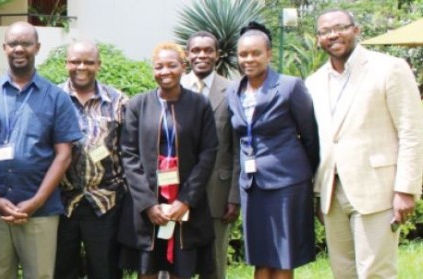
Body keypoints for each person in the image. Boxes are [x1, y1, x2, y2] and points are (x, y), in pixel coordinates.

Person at [307, 10, 423, 278]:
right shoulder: (312, 82)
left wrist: (405, 189)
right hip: (331, 193)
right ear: (318, 39)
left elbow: (411, 132)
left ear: (356, 30)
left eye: (340, 27)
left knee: (375, 272)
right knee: (342, 272)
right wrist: (316, 193)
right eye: (325, 31)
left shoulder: (389, 68)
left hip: (376, 190)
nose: (333, 35)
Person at [0, 21, 82, 279]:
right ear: (4, 47)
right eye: (14, 43)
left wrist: (36, 202)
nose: (19, 49)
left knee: (39, 275)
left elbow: (64, 155)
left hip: (40, 211)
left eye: (26, 43)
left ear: (37, 48)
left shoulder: (56, 97)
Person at [118, 42, 217, 279]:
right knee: (148, 269)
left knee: (181, 269)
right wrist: (148, 204)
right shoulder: (138, 105)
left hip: (184, 202)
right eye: (159, 66)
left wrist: (185, 200)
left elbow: (208, 152)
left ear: (183, 67)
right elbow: (128, 154)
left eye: (171, 65)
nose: (165, 72)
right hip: (149, 203)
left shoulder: (199, 104)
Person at [228, 23, 319, 279]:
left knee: (282, 255)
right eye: (243, 54)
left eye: (255, 53)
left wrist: (304, 176)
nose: (249, 59)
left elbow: (310, 137)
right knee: (259, 254)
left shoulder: (290, 86)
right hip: (252, 184)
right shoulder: (233, 92)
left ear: (269, 54)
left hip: (287, 182)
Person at [53, 41, 129, 279]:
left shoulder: (119, 101)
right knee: (62, 271)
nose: (81, 67)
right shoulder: (52, 98)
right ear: (66, 64)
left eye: (88, 62)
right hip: (63, 202)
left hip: (105, 202)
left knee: (105, 271)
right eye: (75, 61)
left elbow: (129, 151)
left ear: (99, 65)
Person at [180, 31, 239, 279]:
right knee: (175, 263)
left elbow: (238, 148)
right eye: (196, 50)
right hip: (178, 191)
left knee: (214, 265)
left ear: (218, 54)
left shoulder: (233, 91)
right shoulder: (173, 85)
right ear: (187, 54)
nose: (202, 55)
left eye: (208, 50)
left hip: (218, 191)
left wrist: (235, 196)